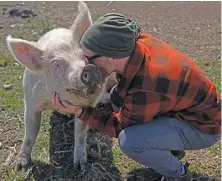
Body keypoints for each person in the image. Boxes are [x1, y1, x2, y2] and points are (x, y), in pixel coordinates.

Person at [51, 13, 221, 181]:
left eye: (89, 59)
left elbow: (118, 127)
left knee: (131, 142)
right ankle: (169, 148)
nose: (86, 67)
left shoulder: (147, 84)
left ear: (111, 56)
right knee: (117, 98)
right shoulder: (136, 45)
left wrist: (78, 110)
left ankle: (178, 175)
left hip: (203, 128)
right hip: (189, 110)